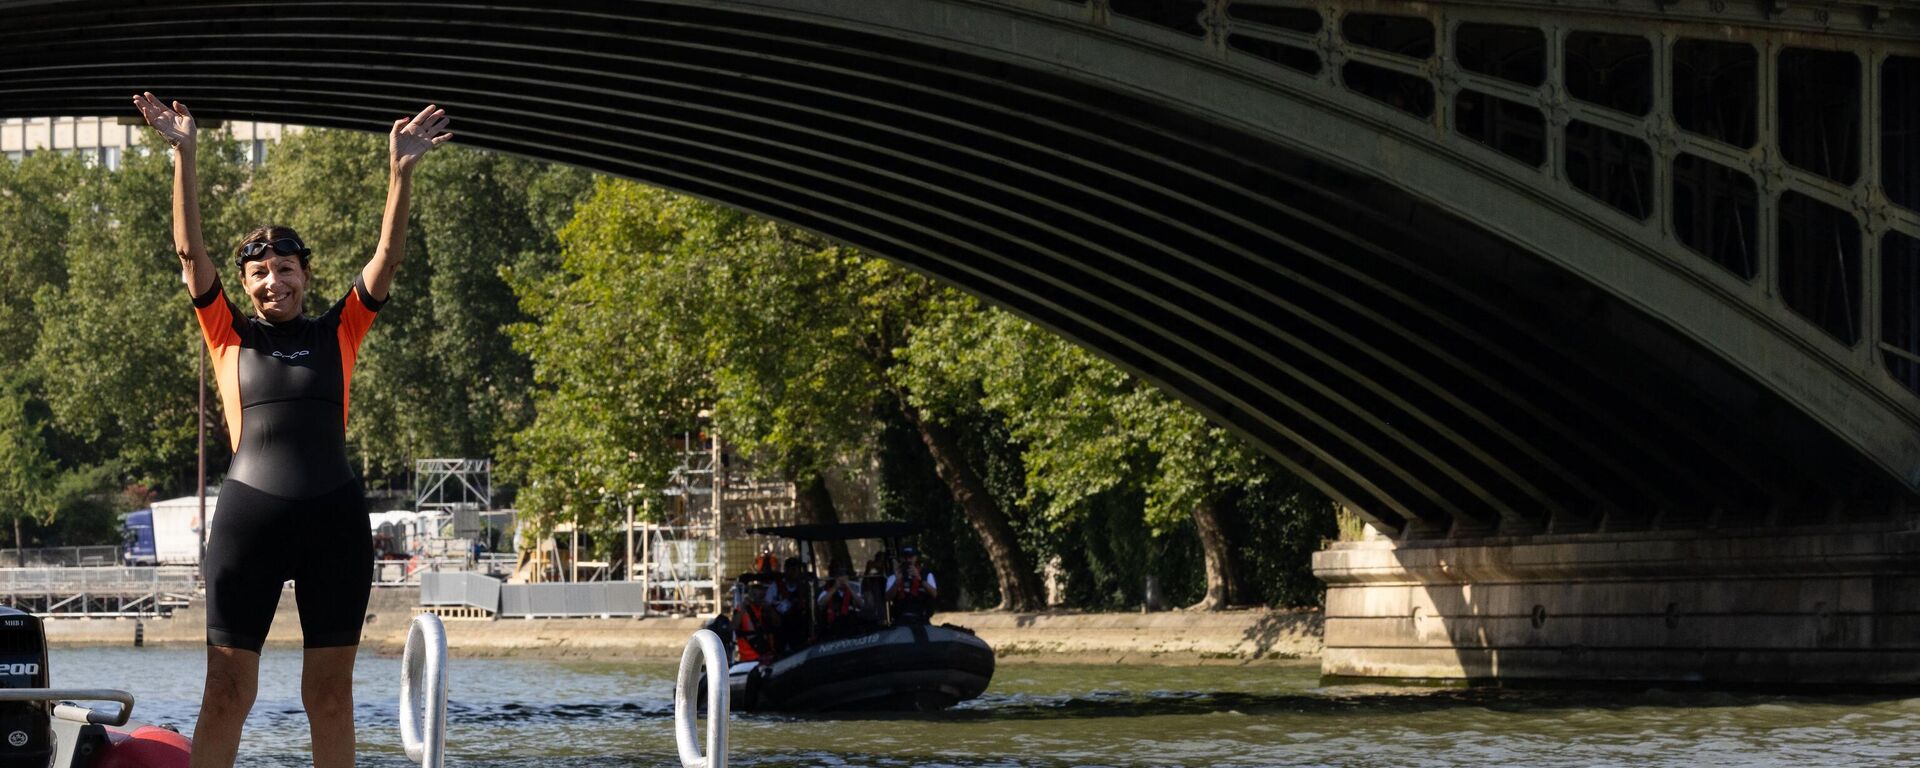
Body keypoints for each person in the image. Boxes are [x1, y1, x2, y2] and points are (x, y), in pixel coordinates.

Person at [133, 92, 450, 768]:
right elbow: (190, 252)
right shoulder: (227, 334)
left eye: (284, 268)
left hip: (333, 520)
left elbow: (388, 259)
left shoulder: (342, 330)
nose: (273, 281)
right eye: (259, 273)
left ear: (306, 274)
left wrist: (401, 174)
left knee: (329, 697)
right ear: (245, 286)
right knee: (226, 692)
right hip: (250, 521)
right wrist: (183, 154)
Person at [885, 545, 939, 625]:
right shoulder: (894, 575)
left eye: (911, 557)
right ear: (901, 558)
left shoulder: (926, 574)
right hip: (900, 619)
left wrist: (920, 579)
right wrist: (897, 582)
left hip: (921, 618)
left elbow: (934, 594)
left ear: (916, 557)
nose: (908, 560)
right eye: (905, 557)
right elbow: (887, 598)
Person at [732, 580, 780, 664]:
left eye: (760, 596)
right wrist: (743, 608)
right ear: (749, 596)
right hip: (749, 659)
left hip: (767, 657)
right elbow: (733, 627)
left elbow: (778, 623)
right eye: (754, 595)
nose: (757, 599)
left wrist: (769, 609)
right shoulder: (742, 610)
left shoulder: (767, 610)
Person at [815, 563, 866, 639]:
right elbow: (821, 603)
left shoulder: (854, 587)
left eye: (844, 575)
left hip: (851, 627)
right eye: (839, 576)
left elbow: (861, 604)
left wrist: (848, 587)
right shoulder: (826, 589)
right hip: (832, 629)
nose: (842, 578)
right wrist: (835, 588)